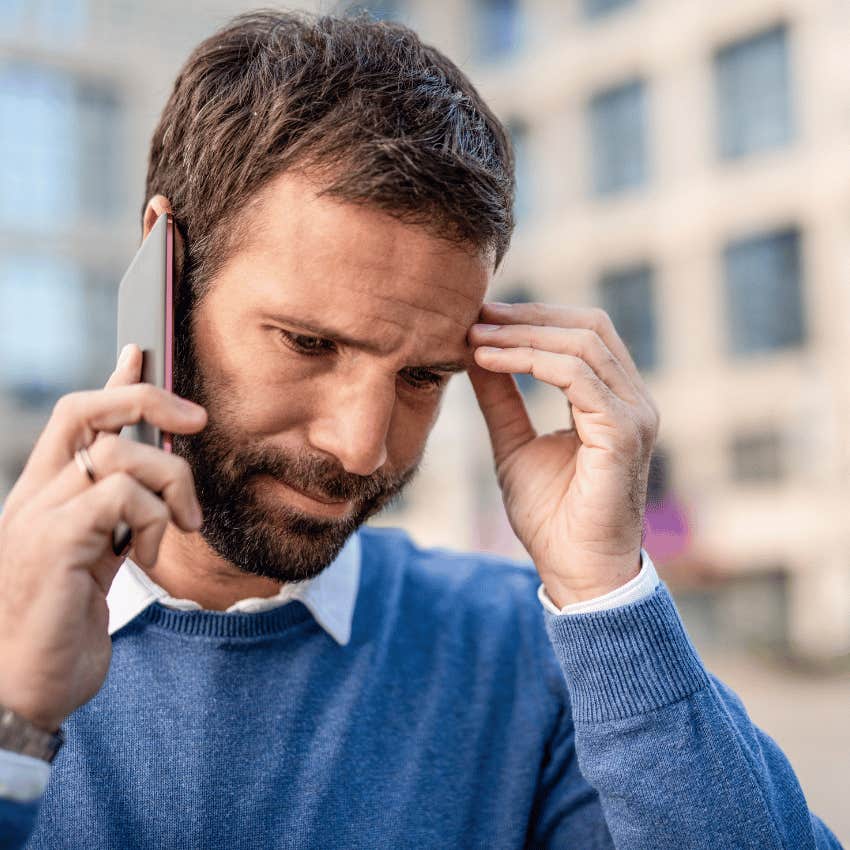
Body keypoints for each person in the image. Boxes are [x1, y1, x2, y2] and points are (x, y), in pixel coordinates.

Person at [0, 10, 841, 850]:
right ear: (166, 271)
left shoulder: (530, 657)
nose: (361, 447)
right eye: (309, 343)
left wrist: (608, 596)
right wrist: (15, 728)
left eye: (422, 377)